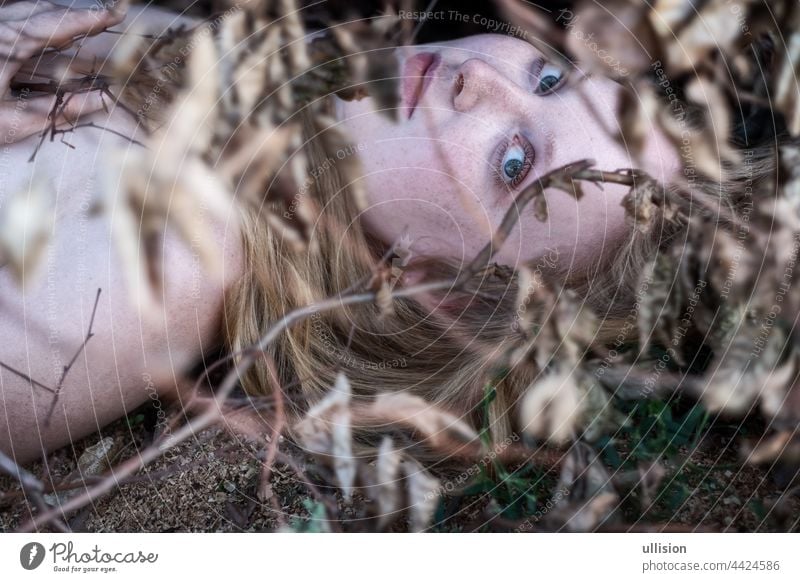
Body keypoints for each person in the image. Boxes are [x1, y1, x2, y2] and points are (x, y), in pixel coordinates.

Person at [0, 1, 767, 466]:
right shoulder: (230, 71)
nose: (482, 80)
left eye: (513, 160)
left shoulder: (169, 266)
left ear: (435, 289)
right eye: (550, 79)